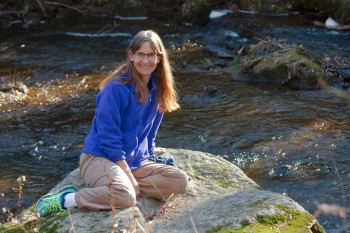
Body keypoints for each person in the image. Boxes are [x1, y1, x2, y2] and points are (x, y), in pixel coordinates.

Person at [35, 30, 189, 217]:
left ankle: (116, 187)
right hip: (99, 157)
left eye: (151, 55)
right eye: (140, 54)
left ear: (159, 58)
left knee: (179, 181)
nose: (145, 60)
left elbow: (150, 129)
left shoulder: (158, 88)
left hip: (133, 160)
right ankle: (66, 199)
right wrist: (128, 175)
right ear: (131, 55)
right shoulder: (115, 89)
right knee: (126, 196)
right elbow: (108, 137)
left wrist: (148, 150)